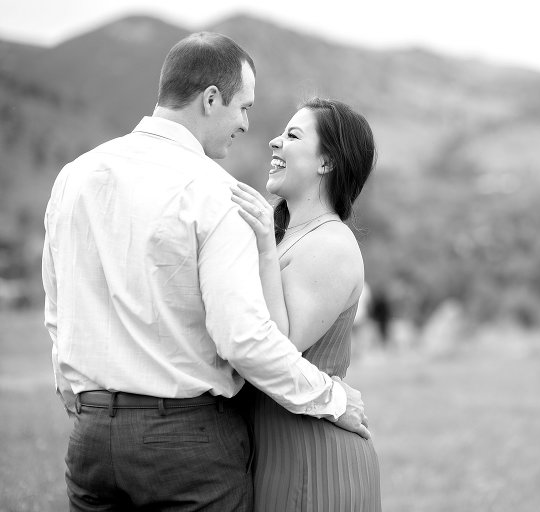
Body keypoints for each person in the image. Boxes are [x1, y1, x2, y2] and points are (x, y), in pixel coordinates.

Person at [41, 33, 369, 511]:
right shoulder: (216, 192)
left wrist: (71, 384)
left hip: (91, 438)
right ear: (211, 99)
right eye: (243, 108)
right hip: (185, 442)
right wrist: (333, 399)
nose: (247, 124)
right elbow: (243, 337)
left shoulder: (75, 175)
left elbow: (58, 303)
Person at [230, 98, 381, 511]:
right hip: (275, 448)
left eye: (293, 135)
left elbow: (278, 344)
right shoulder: (288, 235)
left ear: (326, 162)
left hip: (310, 459)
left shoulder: (330, 245)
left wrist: (262, 245)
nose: (275, 142)